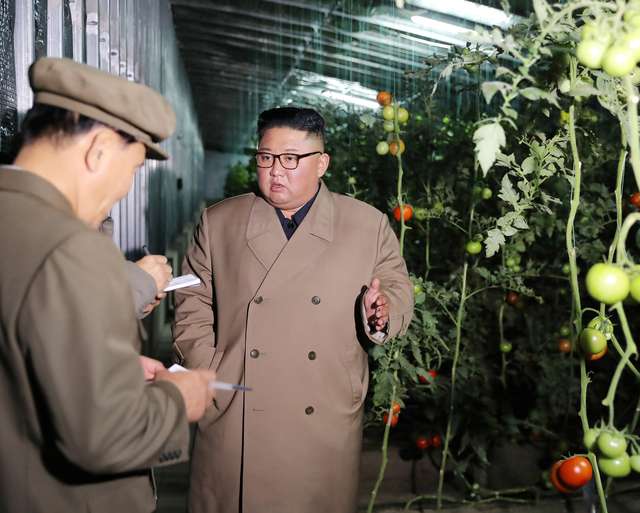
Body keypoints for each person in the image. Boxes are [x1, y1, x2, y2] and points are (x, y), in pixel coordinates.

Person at [0, 57, 215, 513]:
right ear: (97, 150)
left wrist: (106, 367)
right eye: (133, 169)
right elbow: (104, 436)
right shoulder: (74, 248)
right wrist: (178, 399)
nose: (123, 190)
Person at [173, 107, 415, 513]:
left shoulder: (365, 225)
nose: (275, 171)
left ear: (322, 163)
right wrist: (208, 369)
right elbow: (192, 300)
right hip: (238, 407)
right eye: (266, 158)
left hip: (322, 407)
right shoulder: (220, 222)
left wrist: (383, 311)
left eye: (290, 159)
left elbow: (396, 287)